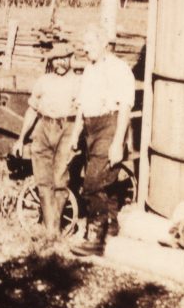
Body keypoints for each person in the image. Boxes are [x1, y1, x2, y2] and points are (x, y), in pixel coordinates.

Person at [69, 23, 136, 256]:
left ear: (104, 44)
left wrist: (118, 142)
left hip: (110, 125)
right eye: (84, 44)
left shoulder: (120, 69)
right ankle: (111, 228)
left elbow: (126, 107)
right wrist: (77, 131)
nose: (85, 49)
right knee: (102, 180)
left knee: (93, 183)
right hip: (91, 127)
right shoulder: (89, 70)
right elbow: (81, 105)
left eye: (89, 44)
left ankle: (95, 238)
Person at [12, 45, 81, 237]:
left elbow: (82, 113)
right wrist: (20, 139)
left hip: (66, 128)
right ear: (51, 61)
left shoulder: (78, 82)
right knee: (43, 180)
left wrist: (76, 135)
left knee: (59, 179)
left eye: (63, 58)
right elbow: (32, 110)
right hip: (43, 128)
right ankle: (49, 227)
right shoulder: (44, 81)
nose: (59, 62)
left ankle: (53, 229)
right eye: (56, 59)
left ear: (71, 58)